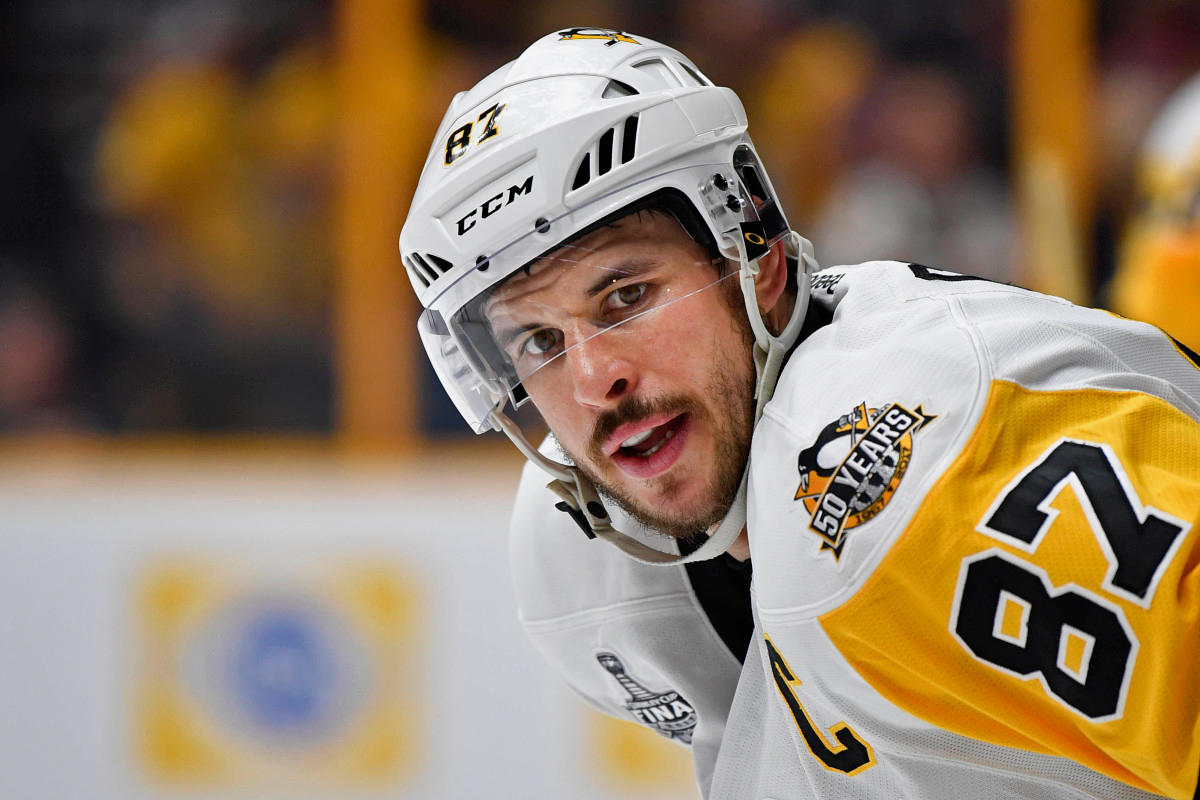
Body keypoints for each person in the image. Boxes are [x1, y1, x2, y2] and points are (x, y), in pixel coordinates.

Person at [399, 29, 1200, 799]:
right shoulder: (583, 573)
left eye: (626, 296)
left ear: (760, 255)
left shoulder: (905, 469)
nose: (592, 379)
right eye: (538, 340)